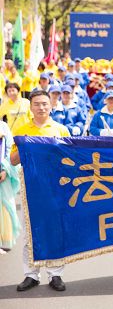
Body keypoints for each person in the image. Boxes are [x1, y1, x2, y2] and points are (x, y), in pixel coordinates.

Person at [11, 90, 70, 292]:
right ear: (31, 107)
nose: (41, 107)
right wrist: (25, 145)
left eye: (45, 104)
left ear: (51, 106)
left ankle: (55, 274)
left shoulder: (60, 130)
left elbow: (70, 160)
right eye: (37, 104)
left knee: (55, 230)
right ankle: (31, 274)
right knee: (30, 232)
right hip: (31, 185)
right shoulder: (21, 130)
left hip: (55, 186)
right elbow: (13, 160)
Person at [0, 120, 20, 253]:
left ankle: (2, 241)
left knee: (4, 206)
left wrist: (5, 169)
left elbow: (9, 149)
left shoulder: (3, 126)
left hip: (2, 173)